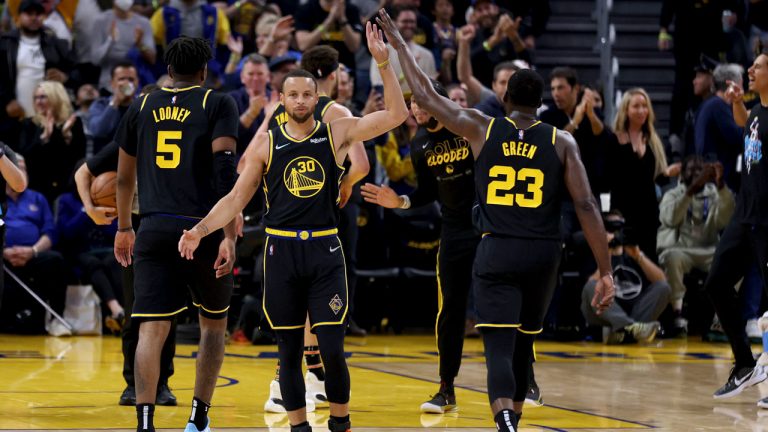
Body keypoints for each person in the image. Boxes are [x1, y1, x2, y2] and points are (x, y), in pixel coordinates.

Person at [374, 9, 614, 431]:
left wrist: (399, 46)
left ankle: (504, 419)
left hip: (496, 245)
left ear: (504, 100)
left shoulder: (483, 128)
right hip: (543, 253)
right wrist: (606, 271)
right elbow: (588, 207)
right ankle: (510, 410)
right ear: (540, 103)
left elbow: (427, 96)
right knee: (524, 342)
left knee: (498, 347)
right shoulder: (563, 141)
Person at [178, 21, 407, 432]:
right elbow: (234, 199)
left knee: (333, 350)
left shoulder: (337, 131)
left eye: (307, 94)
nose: (301, 100)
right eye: (293, 95)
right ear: (280, 100)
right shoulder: (267, 144)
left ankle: (340, 423)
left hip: (324, 252)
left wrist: (385, 63)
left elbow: (396, 114)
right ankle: (299, 426)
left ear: (317, 97)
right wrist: (200, 230)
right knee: (287, 353)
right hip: (281, 252)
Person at [113, 36, 240, 432]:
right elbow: (225, 173)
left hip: (151, 227)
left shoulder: (141, 105)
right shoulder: (217, 102)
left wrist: (123, 227)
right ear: (205, 71)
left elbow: (122, 177)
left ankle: (145, 422)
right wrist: (228, 235)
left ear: (168, 71)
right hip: (200, 227)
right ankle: (198, 418)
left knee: (150, 329)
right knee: (213, 324)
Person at [361, 78, 480, 414]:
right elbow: (427, 193)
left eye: (421, 101)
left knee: (500, 307)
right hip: (454, 230)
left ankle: (524, 376)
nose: (415, 109)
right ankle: (446, 389)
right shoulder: (420, 143)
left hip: (486, 226)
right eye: (412, 104)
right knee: (450, 311)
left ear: (438, 100)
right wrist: (398, 200)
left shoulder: (469, 124)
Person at [75, 138, 178, 405]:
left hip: (174, 223)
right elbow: (82, 173)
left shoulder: (184, 129)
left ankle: (162, 383)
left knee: (167, 311)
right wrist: (91, 209)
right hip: (135, 226)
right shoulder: (134, 131)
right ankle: (133, 384)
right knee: (136, 308)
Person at [705, 49, 768, 402]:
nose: (750, 70)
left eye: (757, 67)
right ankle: (744, 364)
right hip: (745, 217)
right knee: (716, 283)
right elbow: (748, 125)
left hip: (766, 220)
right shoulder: (757, 110)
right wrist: (737, 104)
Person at [657, 156, 734, 333]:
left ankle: (720, 317)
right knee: (672, 257)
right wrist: (690, 191)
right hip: (681, 249)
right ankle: (677, 313)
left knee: (732, 259)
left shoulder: (714, 193)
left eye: (701, 170)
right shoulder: (673, 194)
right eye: (691, 169)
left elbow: (726, 220)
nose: (696, 173)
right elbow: (669, 218)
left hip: (709, 249)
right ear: (683, 174)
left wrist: (721, 184)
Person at [581, 211, 670, 344]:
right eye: (612, 229)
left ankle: (623, 331)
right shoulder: (595, 252)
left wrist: (638, 256)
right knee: (591, 286)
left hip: (635, 312)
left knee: (664, 287)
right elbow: (590, 286)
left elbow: (662, 281)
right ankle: (629, 328)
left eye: (619, 229)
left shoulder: (633, 252)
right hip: (604, 315)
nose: (616, 234)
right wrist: (606, 253)